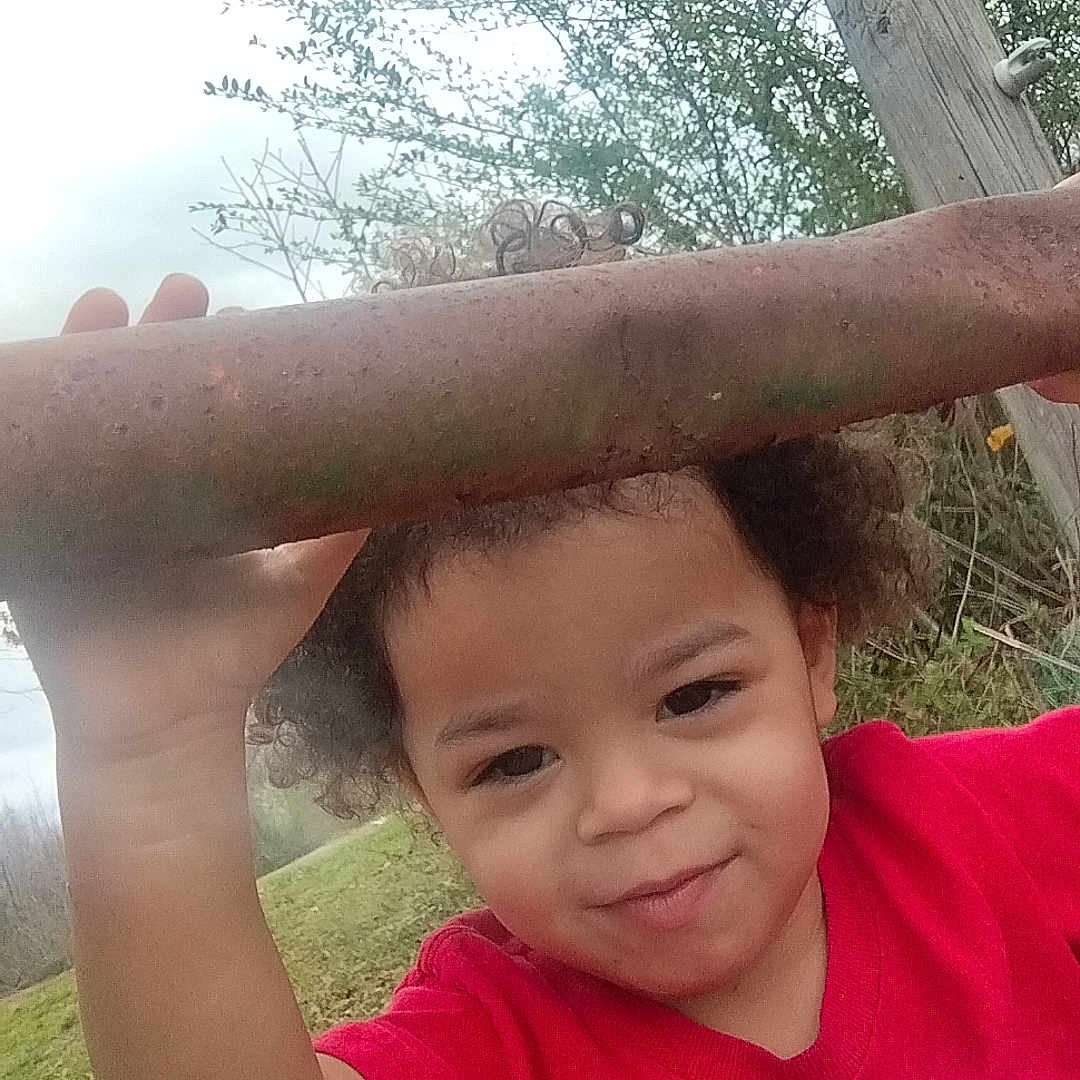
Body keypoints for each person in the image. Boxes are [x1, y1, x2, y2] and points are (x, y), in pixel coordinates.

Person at [11, 184, 1080, 1080]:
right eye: (514, 761)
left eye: (695, 695)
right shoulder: (497, 1041)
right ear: (421, 788)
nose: (628, 804)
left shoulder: (993, 830)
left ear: (810, 652)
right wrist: (146, 762)